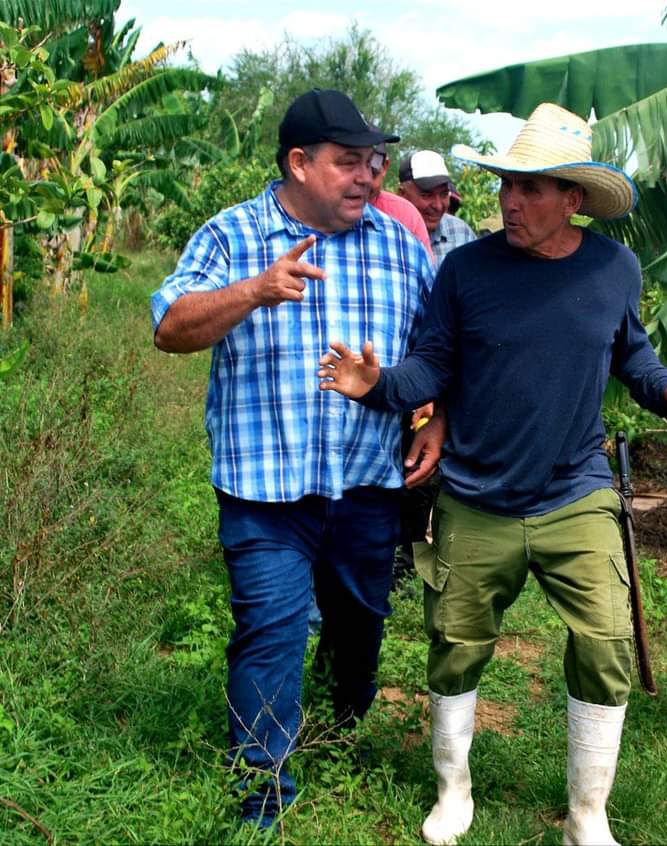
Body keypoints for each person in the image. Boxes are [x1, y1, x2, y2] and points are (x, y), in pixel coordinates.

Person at [316, 102, 667, 846]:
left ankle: (587, 815)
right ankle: (454, 790)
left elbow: (630, 356)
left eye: (532, 188)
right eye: (508, 184)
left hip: (575, 488)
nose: (511, 200)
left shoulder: (613, 268)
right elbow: (432, 366)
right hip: (477, 493)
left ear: (574, 200)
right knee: (456, 639)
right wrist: (376, 387)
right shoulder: (467, 270)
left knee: (606, 641)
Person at [150, 88, 441, 828]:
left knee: (359, 630)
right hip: (264, 492)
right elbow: (172, 327)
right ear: (299, 162)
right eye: (349, 163)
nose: (369, 178)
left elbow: (439, 351)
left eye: (374, 163)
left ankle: (340, 731)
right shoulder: (232, 235)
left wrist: (436, 416)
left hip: (369, 486)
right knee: (271, 633)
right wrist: (255, 290)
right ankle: (260, 796)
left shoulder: (399, 247)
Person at [397, 150, 476, 266]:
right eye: (427, 195)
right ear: (402, 194)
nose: (438, 206)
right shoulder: (388, 233)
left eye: (444, 194)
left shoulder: (461, 233)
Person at [369, 135, 434, 260]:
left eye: (372, 172)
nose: (363, 179)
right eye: (349, 165)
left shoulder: (405, 215)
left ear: (385, 166)